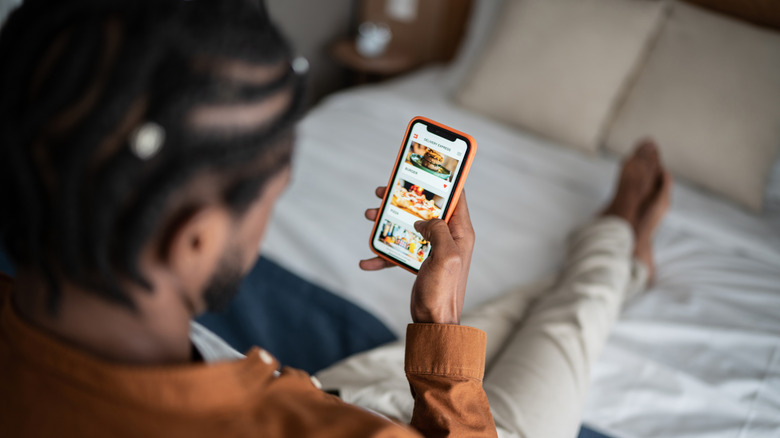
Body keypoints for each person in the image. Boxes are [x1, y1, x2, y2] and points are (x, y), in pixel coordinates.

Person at [0, 1, 672, 437]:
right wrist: (437, 328)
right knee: (565, 324)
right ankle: (617, 249)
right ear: (195, 241)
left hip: (331, 392)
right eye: (272, 196)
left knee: (507, 320)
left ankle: (608, 257)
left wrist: (440, 323)